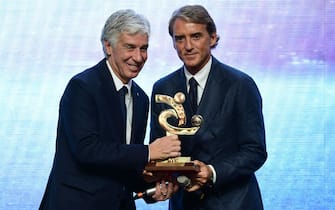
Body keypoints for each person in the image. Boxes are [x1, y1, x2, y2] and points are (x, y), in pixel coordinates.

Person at [39, 9, 181, 210]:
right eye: (130, 47)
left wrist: (150, 186)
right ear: (108, 46)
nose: (139, 57)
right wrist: (148, 152)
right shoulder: (82, 87)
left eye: (144, 48)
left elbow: (123, 163)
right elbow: (86, 150)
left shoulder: (141, 98)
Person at [150, 5, 267, 210]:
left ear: (212, 38)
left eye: (196, 36)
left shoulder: (240, 85)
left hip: (234, 204)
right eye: (180, 38)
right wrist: (162, 179)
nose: (187, 46)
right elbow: (158, 149)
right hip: (184, 205)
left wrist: (212, 172)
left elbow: (255, 150)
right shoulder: (163, 87)